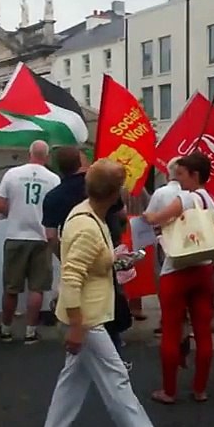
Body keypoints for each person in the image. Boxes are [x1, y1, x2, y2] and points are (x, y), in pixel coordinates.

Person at [39, 159, 174, 427]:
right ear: (115, 194)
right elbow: (72, 277)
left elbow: (81, 267)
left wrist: (113, 260)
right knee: (115, 377)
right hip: (87, 318)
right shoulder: (88, 224)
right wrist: (77, 326)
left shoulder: (86, 215)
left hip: (86, 314)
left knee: (74, 378)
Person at [42, 146, 130, 358]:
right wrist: (76, 326)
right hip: (93, 308)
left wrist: (64, 255)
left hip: (88, 289)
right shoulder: (90, 222)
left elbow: (51, 236)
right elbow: (122, 216)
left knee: (76, 369)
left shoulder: (56, 197)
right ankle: (115, 348)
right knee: (113, 369)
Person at [144, 152, 214, 404]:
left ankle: (169, 390)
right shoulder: (210, 200)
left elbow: (156, 218)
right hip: (204, 268)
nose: (178, 180)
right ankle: (200, 388)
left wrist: (149, 218)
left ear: (194, 175)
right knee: (203, 331)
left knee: (171, 331)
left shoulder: (186, 197)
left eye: (182, 174)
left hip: (177, 268)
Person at [0, 140, 60, 344]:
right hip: (41, 237)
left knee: (11, 287)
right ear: (46, 157)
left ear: (29, 154)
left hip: (15, 235)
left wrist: (15, 211)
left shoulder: (12, 174)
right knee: (36, 288)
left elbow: (1, 205)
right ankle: (30, 332)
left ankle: (6, 329)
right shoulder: (53, 179)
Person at [146, 158, 191, 363]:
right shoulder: (194, 194)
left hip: (166, 244)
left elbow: (150, 216)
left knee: (166, 283)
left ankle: (169, 321)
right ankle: (184, 322)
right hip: (191, 244)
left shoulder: (161, 193)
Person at [121, 186, 150, 320]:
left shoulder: (115, 187)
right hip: (138, 228)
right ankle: (136, 307)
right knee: (137, 268)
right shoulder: (140, 188)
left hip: (122, 228)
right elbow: (148, 206)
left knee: (122, 267)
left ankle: (123, 307)